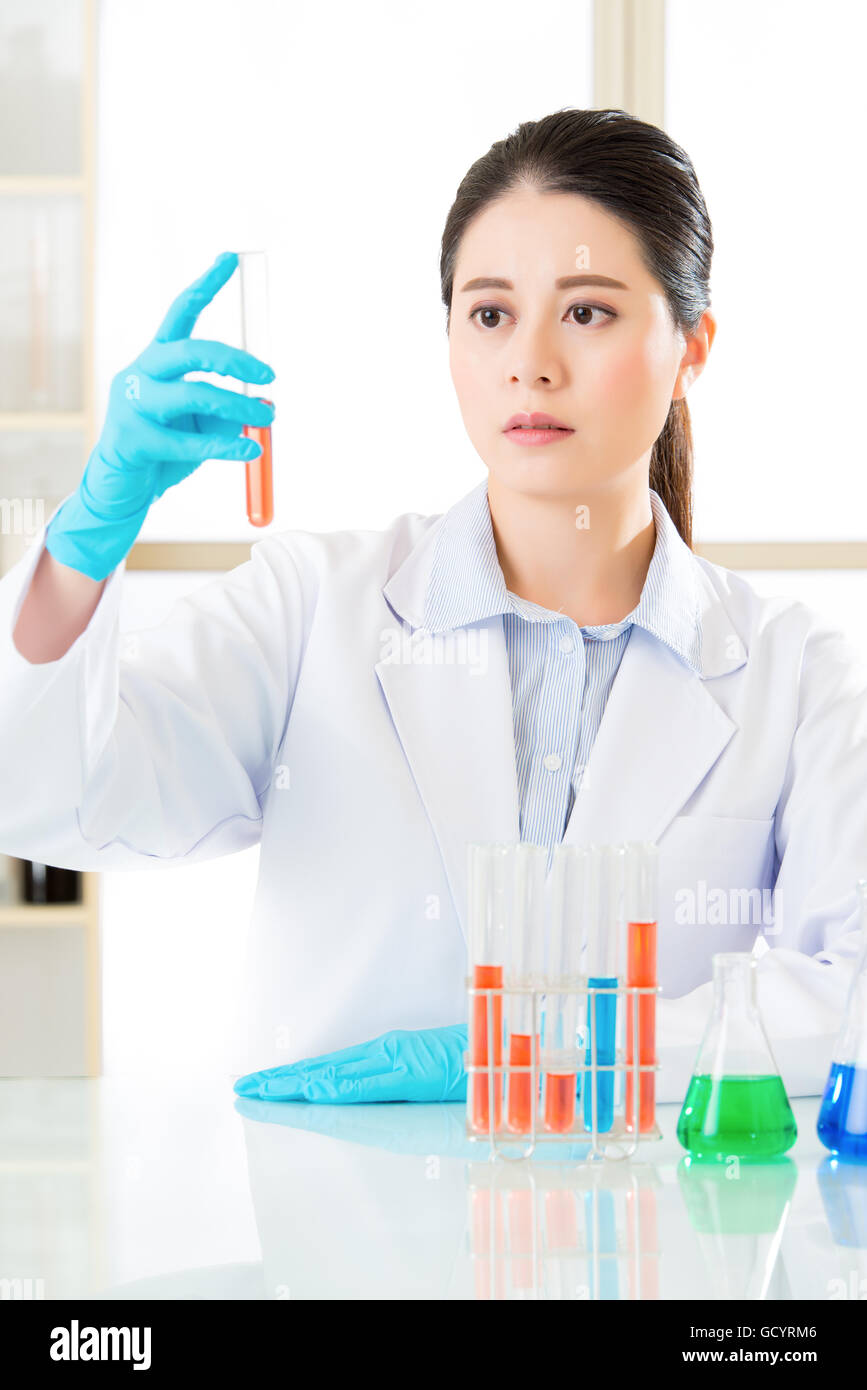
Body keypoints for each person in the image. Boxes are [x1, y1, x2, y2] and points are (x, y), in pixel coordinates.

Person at [2, 108, 865, 1107]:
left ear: (693, 347)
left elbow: (850, 997)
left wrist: (560, 1050)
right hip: (343, 1242)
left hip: (642, 1250)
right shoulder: (309, 609)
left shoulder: (792, 674)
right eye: (490, 312)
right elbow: (49, 795)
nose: (529, 362)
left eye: (587, 312)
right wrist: (83, 546)